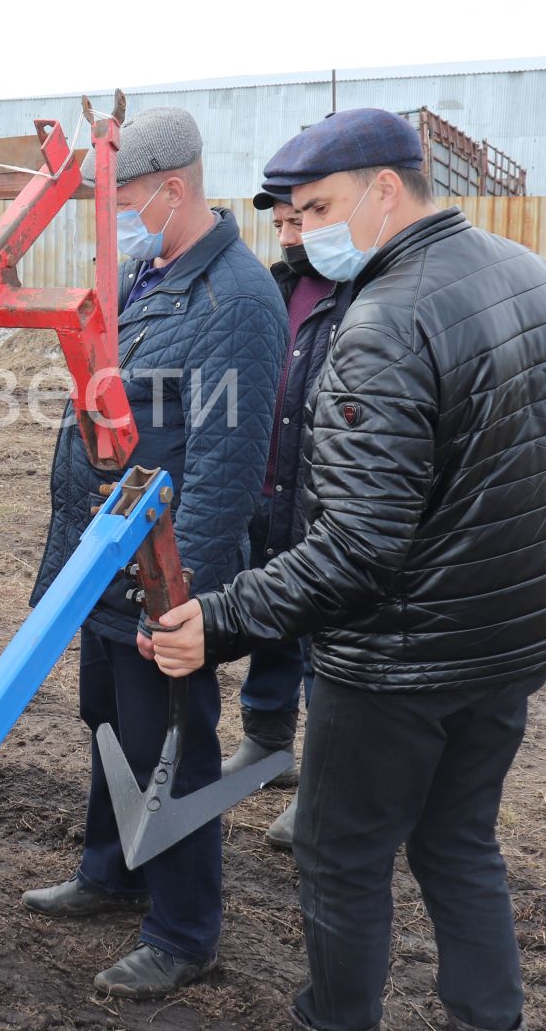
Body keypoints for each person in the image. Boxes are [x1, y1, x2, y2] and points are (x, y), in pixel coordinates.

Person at [145, 108, 546, 1031]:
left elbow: (357, 548)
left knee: (340, 856)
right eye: (295, 213)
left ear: (387, 189)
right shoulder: (534, 275)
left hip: (399, 658)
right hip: (512, 638)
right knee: (460, 842)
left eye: (319, 208)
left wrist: (222, 620)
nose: (306, 230)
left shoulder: (383, 324)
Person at [20, 107, 287, 998]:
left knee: (171, 741)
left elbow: (227, 466)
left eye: (126, 199)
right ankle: (110, 871)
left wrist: (189, 603)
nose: (118, 217)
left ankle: (182, 930)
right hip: (102, 556)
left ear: (175, 189)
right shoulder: (143, 273)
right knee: (108, 720)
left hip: (162, 569)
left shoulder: (239, 300)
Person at [225, 186, 356, 849]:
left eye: (299, 220)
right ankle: (267, 744)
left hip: (328, 494)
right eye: (278, 223)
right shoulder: (278, 288)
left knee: (323, 637)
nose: (287, 235)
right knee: (271, 614)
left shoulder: (363, 294)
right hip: (269, 484)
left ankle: (327, 789)